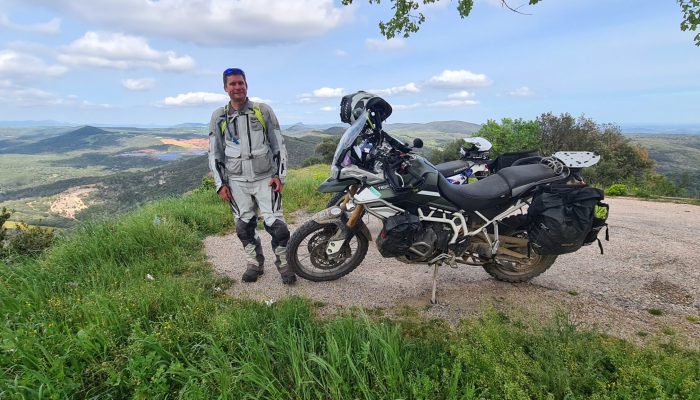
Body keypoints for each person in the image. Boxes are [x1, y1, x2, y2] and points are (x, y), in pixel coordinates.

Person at [208, 67, 296, 284]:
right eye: (233, 84)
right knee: (243, 227)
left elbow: (278, 145)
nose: (237, 87)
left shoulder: (262, 111)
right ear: (225, 88)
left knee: (278, 227)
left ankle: (285, 265)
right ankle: (254, 263)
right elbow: (214, 152)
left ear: (246, 85)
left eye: (241, 83)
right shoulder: (219, 116)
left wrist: (280, 176)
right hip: (236, 181)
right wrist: (220, 184)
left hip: (265, 178)